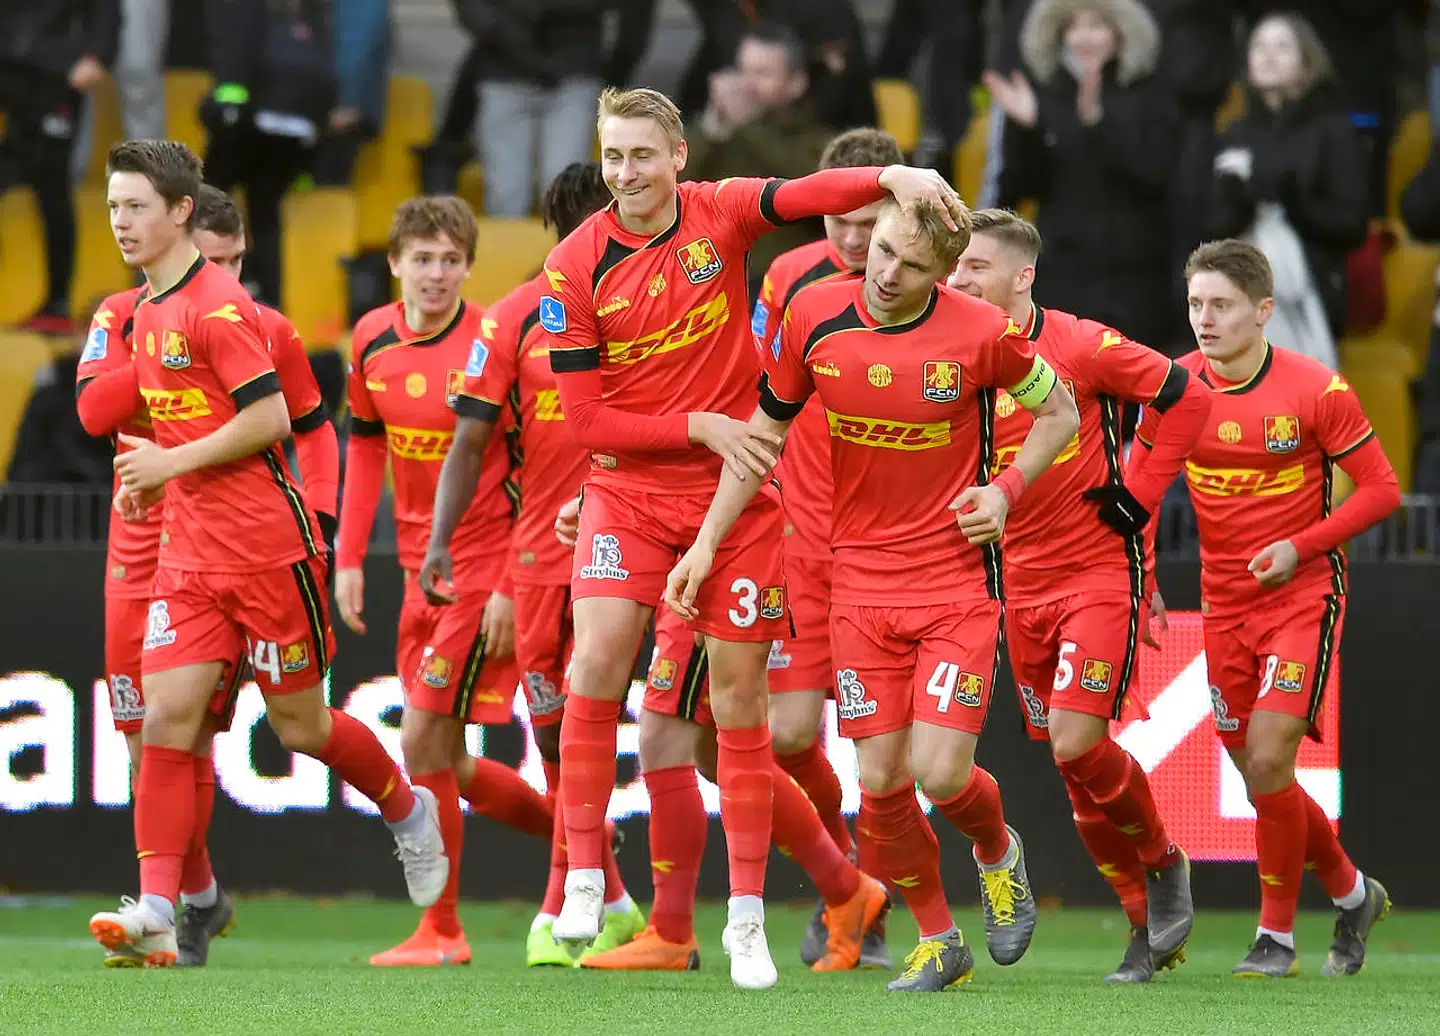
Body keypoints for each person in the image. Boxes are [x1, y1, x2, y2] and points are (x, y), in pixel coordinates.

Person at [535, 85, 964, 990]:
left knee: (716, 725)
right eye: (612, 157)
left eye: (642, 154)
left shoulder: (722, 219)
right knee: (603, 673)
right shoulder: (573, 269)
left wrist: (897, 170)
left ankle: (753, 913)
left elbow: (804, 193)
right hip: (634, 495)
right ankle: (589, 880)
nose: (625, 174)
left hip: (736, 512)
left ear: (679, 154)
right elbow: (586, 421)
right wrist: (698, 425)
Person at [666, 198, 1081, 991]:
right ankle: (939, 940)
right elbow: (762, 439)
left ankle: (997, 852)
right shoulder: (813, 313)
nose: (886, 274)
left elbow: (1059, 411)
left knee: (940, 773)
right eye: (883, 252)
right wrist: (707, 542)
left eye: (912, 266)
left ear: (945, 271)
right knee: (882, 784)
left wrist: (1007, 490)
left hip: (954, 577)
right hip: (857, 582)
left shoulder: (983, 333)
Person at [88, 139, 447, 969]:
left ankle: (404, 809)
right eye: (112, 207)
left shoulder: (219, 309)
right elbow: (160, 416)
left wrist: (168, 464)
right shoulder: (142, 312)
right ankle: (155, 908)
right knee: (166, 726)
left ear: (180, 213)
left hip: (265, 554)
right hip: (187, 558)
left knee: (301, 727)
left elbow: (273, 421)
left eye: (135, 206)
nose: (120, 222)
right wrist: (155, 482)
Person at [336, 195, 624, 967]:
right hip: (415, 568)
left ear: (469, 266)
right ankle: (597, 853)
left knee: (422, 735)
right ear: (394, 263)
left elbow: (530, 465)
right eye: (420, 259)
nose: (435, 274)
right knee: (449, 760)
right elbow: (365, 450)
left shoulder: (495, 337)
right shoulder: (370, 341)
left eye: (449, 260)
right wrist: (348, 555)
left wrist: (505, 579)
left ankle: (444, 930)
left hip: (489, 565)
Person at [74, 182, 342, 969]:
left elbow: (309, 428)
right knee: (147, 737)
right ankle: (195, 899)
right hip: (139, 548)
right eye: (210, 261)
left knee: (243, 724)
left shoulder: (248, 323)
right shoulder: (121, 314)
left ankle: (175, 910)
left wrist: (319, 525)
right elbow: (94, 415)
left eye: (232, 264)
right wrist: (163, 347)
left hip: (231, 544)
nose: (219, 277)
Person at [948, 208, 1208, 982]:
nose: (958, 281)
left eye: (976, 269)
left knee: (1075, 739)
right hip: (1011, 587)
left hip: (1096, 571)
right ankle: (1141, 925)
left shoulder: (1082, 345)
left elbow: (1187, 400)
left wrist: (1140, 493)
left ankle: (1164, 863)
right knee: (1074, 769)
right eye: (955, 269)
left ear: (1022, 277)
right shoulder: (949, 350)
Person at [1136, 239, 1398, 978]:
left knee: (1272, 754)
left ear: (1263, 310)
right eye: (1194, 305)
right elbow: (1142, 482)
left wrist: (1301, 547)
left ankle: (1275, 938)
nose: (1204, 320)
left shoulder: (1317, 388)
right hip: (1223, 606)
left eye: (1220, 305)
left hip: (1302, 596)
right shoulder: (1175, 387)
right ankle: (1352, 895)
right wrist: (1145, 573)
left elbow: (1381, 488)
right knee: (1260, 776)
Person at [425, 164, 644, 968]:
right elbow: (472, 440)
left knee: (691, 732)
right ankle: (605, 898)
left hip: (656, 542)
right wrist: (444, 543)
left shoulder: (661, 313)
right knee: (558, 736)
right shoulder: (519, 319)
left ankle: (582, 905)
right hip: (546, 559)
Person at [542, 506, 888, 975]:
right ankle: (846, 888)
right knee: (708, 751)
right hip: (685, 542)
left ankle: (671, 930)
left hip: (711, 547)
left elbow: (705, 444)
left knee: (666, 735)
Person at [750, 125, 903, 969]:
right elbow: (760, 391)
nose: (849, 233)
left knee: (887, 754)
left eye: (867, 213)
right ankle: (849, 877)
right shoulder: (784, 278)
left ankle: (867, 919)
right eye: (836, 212)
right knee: (788, 736)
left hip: (896, 552)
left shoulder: (927, 286)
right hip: (801, 542)